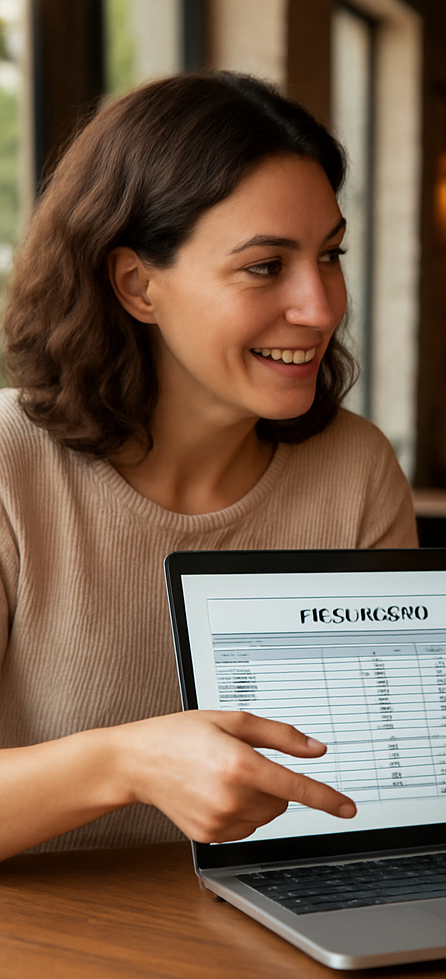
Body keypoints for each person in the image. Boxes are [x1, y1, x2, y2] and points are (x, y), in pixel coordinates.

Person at [0, 72, 418, 861]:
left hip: (293, 938)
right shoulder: (7, 465)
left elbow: (378, 781)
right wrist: (125, 764)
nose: (323, 307)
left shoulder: (357, 469)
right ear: (137, 285)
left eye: (330, 256)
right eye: (266, 266)